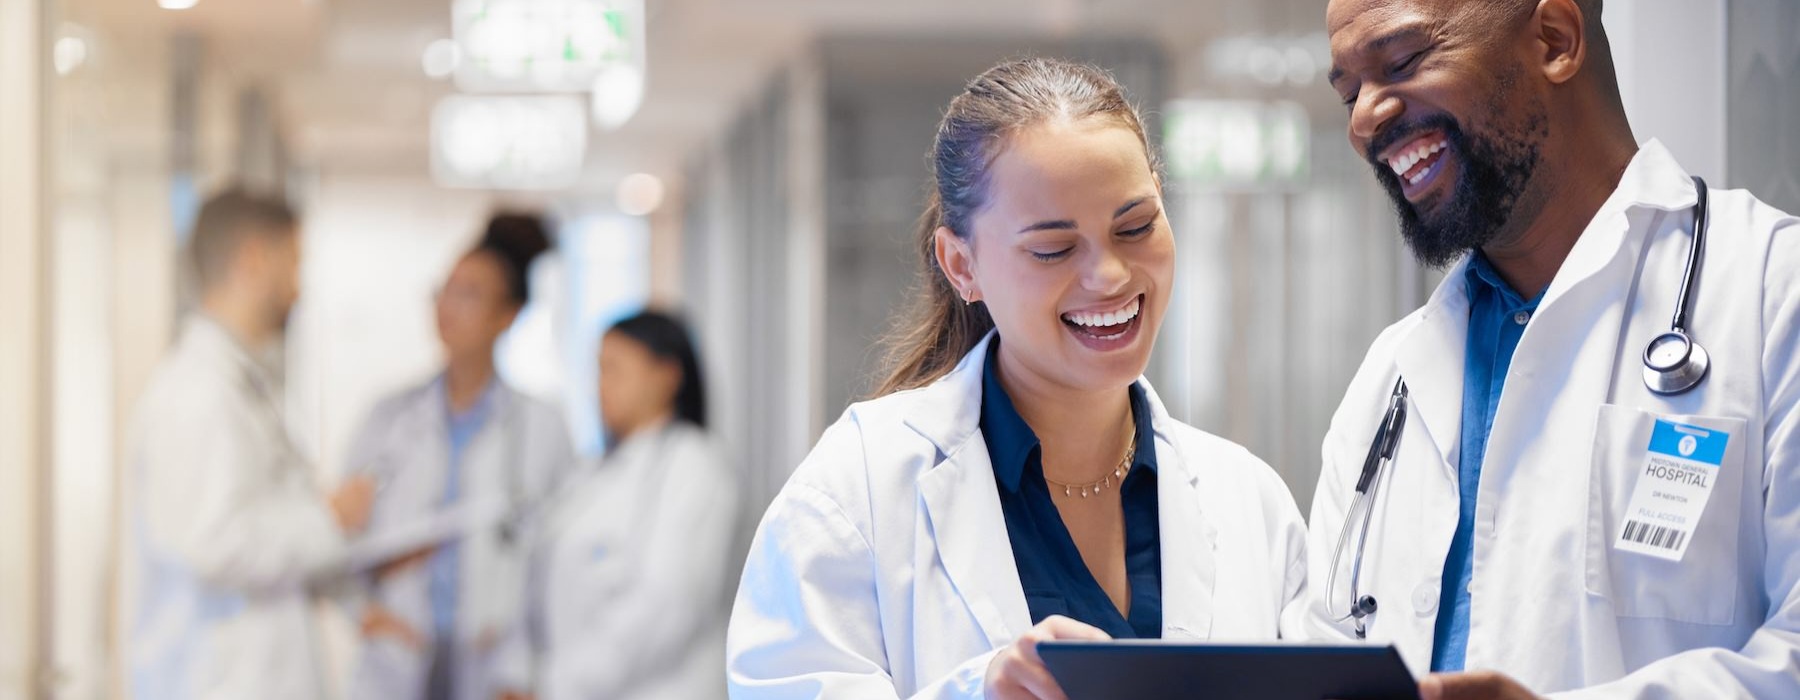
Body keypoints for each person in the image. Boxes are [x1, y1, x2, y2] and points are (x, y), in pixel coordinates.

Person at [727, 57, 1309, 700]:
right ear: (961, 263)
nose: (1110, 277)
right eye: (1054, 249)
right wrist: (977, 693)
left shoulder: (1250, 501)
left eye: (1136, 226)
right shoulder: (858, 489)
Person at [1311, 0, 1800, 697]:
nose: (1364, 120)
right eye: (1350, 92)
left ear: (1555, 39)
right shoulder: (1389, 379)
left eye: (1401, 61)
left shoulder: (1773, 293)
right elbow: (1322, 647)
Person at [118, 188, 376, 700]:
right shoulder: (195, 394)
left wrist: (354, 597)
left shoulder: (238, 386)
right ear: (255, 259)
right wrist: (330, 517)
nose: (298, 289)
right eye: (294, 264)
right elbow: (212, 544)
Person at [343, 214, 574, 700]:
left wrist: (531, 664)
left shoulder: (542, 427)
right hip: (399, 657)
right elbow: (338, 542)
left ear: (507, 315)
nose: (448, 307)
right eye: (443, 291)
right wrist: (359, 610)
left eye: (469, 294)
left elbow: (559, 559)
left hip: (497, 665)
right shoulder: (387, 419)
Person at [494, 310, 742, 700]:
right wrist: (521, 675)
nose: (600, 386)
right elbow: (540, 587)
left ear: (667, 375)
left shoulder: (696, 467)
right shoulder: (592, 474)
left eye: (615, 369)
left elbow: (665, 605)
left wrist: (556, 687)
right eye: (598, 371)